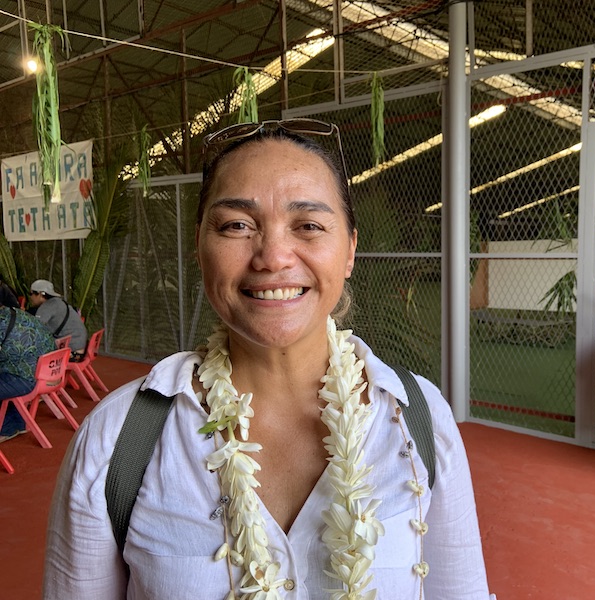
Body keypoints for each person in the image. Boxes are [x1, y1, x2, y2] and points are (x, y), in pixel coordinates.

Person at [43, 120, 495, 600]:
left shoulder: (417, 420)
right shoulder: (117, 440)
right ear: (201, 246)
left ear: (349, 251)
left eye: (309, 226)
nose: (273, 257)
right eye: (237, 225)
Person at [0, 305, 56, 442]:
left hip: (29, 378)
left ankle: (7, 427)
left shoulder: (2, 324)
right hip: (49, 373)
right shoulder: (17, 314)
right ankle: (15, 423)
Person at [28, 279, 87, 359]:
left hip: (72, 352)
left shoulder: (46, 307)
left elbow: (34, 329)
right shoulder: (59, 302)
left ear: (40, 295)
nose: (30, 297)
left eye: (31, 294)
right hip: (80, 347)